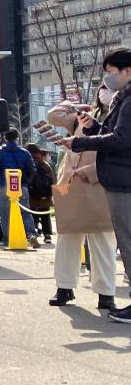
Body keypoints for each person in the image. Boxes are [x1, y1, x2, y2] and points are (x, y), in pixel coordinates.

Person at [55, 49, 131, 323]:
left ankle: (111, 295)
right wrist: (92, 127)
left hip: (119, 181)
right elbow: (114, 135)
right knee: (121, 241)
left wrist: (80, 142)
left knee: (122, 242)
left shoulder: (129, 100)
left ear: (127, 71)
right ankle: (68, 287)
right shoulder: (122, 101)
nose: (107, 80)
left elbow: (122, 141)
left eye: (111, 72)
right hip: (114, 180)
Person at [46, 93, 126, 309]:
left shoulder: (120, 118)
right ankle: (64, 287)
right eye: (102, 89)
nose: (106, 93)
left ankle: (105, 293)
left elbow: (118, 154)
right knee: (67, 241)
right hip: (70, 187)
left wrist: (90, 171)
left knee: (103, 244)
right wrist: (72, 106)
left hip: (99, 187)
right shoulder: (84, 117)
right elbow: (53, 115)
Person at [0, 128, 37, 247]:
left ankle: (8, 239)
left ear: (5, 137)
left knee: (5, 213)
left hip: (4, 184)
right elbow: (32, 169)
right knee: (25, 211)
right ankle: (31, 234)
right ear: (17, 137)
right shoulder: (25, 152)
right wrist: (26, 182)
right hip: (21, 184)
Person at [27, 144, 55, 244]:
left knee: (31, 213)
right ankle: (47, 235)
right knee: (45, 215)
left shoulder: (28, 163)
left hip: (31, 194)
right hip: (45, 195)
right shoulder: (45, 165)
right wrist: (51, 194)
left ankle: (33, 234)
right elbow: (52, 179)